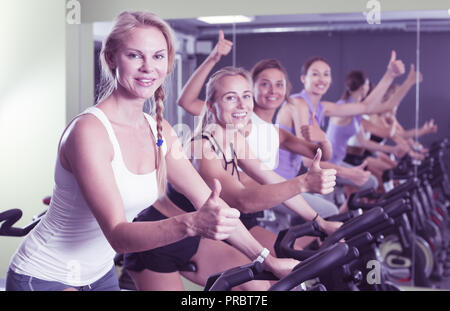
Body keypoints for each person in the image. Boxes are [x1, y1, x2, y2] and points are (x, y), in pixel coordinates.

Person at [5, 11, 290, 291]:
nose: (148, 67)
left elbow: (209, 202)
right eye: (135, 55)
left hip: (99, 274)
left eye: (158, 56)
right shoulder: (89, 132)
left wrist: (267, 260)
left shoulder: (160, 129)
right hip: (45, 274)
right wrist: (190, 223)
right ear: (111, 58)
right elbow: (118, 234)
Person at [275, 52, 407, 199]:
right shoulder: (298, 103)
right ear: (303, 78)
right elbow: (308, 160)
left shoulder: (321, 107)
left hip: (300, 175)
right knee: (329, 211)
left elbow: (366, 107)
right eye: (315, 74)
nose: (322, 79)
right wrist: (347, 172)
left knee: (363, 188)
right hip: (280, 182)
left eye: (326, 74)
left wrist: (390, 75)